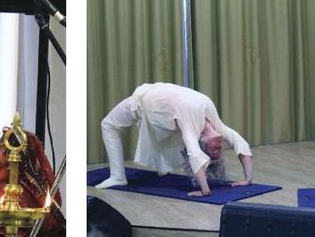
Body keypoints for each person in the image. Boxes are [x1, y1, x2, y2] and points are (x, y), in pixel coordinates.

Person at [97, 82, 253, 197]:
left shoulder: (191, 129)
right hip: (148, 97)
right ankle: (159, 167)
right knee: (110, 125)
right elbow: (241, 143)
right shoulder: (214, 119)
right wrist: (247, 179)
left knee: (108, 125)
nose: (219, 146)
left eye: (214, 150)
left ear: (202, 142)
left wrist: (205, 190)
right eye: (218, 149)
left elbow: (195, 155)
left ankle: (118, 176)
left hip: (147, 105)